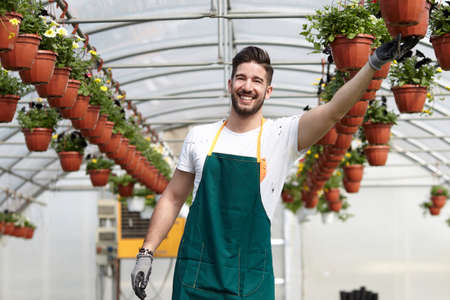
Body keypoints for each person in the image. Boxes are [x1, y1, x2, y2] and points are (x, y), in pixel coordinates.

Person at [131, 36, 419, 299]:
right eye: (241, 78)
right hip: (196, 276)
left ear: (268, 91)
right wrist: (146, 252)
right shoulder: (200, 136)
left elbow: (334, 111)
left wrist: (373, 64)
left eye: (256, 81)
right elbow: (172, 197)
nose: (247, 86)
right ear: (230, 84)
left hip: (251, 278)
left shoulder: (282, 135)